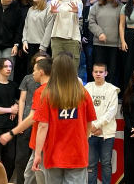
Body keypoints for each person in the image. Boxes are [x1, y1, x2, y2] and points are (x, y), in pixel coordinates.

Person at [32, 54, 97, 184]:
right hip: (77, 152)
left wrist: (37, 154)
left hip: (53, 153)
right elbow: (89, 122)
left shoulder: (47, 93)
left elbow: (43, 126)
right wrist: (83, 141)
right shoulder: (83, 93)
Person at [0, 57, 53, 184]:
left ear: (41, 72)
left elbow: (33, 118)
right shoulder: (57, 88)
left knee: (39, 177)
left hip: (43, 144)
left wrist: (11, 133)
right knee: (28, 176)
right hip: (43, 143)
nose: (33, 73)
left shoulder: (41, 91)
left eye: (34, 70)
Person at [13, 52, 48, 184]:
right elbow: (22, 100)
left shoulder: (52, 82)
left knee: (39, 159)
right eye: (38, 62)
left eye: (43, 61)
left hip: (42, 122)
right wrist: (20, 121)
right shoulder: (28, 78)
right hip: (28, 119)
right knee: (22, 158)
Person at [86, 63, 120, 184]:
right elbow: (82, 110)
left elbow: (111, 112)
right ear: (92, 73)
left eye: (101, 72)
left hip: (107, 133)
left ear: (106, 73)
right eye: (96, 72)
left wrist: (95, 126)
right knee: (91, 164)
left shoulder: (112, 89)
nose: (98, 74)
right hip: (90, 133)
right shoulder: (86, 88)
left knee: (106, 164)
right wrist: (91, 128)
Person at [89, 0, 121, 84]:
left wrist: (121, 42)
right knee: (99, 71)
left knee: (113, 72)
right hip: (99, 44)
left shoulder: (120, 6)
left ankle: (111, 92)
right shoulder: (96, 6)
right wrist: (100, 33)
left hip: (115, 45)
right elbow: (91, 22)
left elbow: (122, 25)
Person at [49, 0, 84, 70]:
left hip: (72, 38)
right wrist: (52, 12)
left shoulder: (77, 0)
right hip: (57, 37)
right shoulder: (54, 1)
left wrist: (77, 11)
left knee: (72, 66)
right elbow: (50, 16)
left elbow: (79, 13)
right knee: (57, 67)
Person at [23, 0, 55, 73]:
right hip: (30, 44)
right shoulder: (31, 9)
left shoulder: (49, 9)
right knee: (30, 70)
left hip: (42, 45)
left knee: (42, 71)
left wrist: (43, 47)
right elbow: (26, 26)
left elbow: (49, 29)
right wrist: (24, 41)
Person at [14, 0, 34, 85]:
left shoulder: (33, 6)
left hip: (31, 40)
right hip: (18, 41)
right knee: (19, 68)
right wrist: (18, 44)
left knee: (29, 67)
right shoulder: (14, 6)